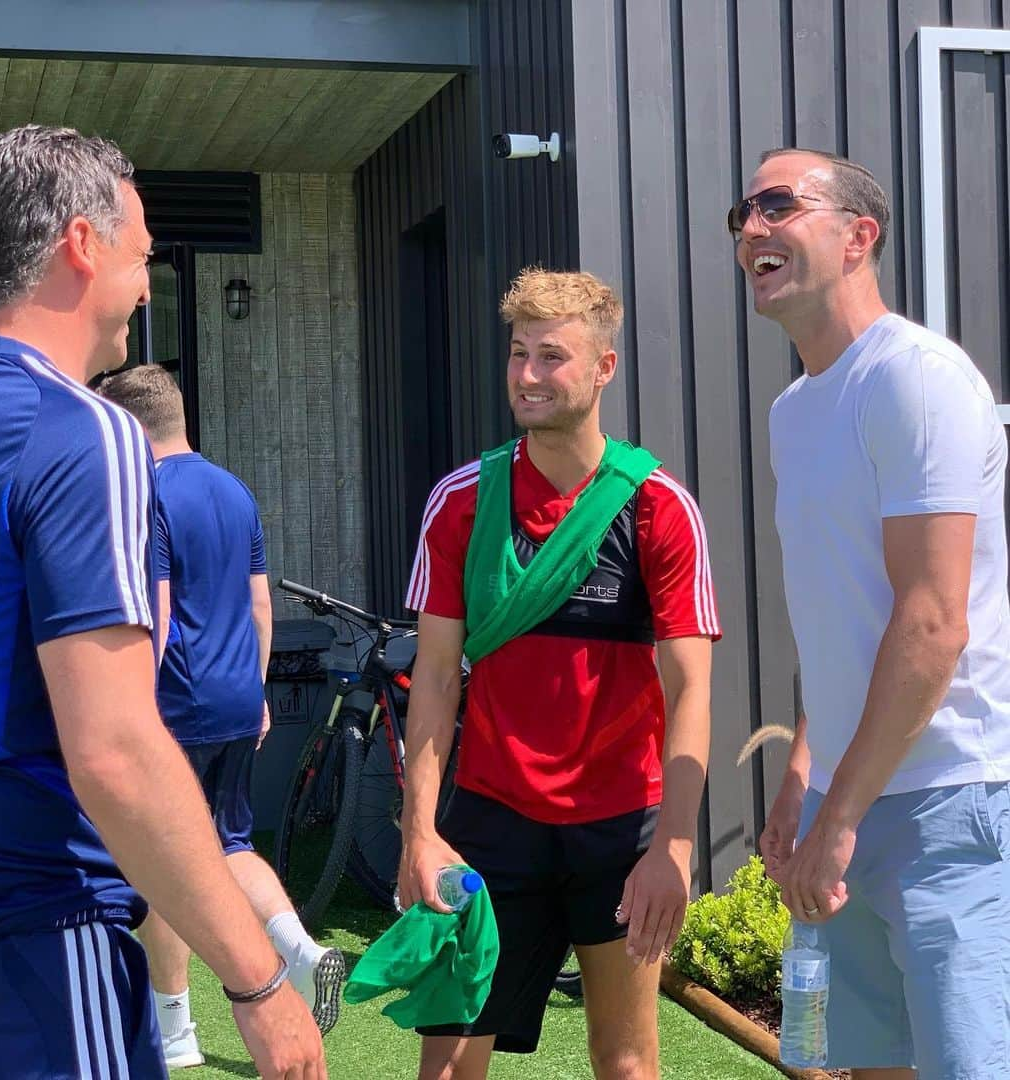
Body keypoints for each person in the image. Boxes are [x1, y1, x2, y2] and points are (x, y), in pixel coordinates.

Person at [0, 125, 326, 1080]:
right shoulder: (86, 430)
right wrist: (261, 984)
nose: (147, 286)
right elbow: (113, 748)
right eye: (143, 255)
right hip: (35, 931)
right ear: (82, 244)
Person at [397, 268, 720, 1080]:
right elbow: (435, 679)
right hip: (491, 821)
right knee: (447, 1066)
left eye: (552, 356)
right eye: (518, 354)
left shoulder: (657, 506)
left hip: (619, 826)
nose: (529, 375)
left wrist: (673, 849)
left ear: (604, 367)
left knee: (626, 1062)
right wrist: (419, 832)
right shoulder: (462, 501)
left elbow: (690, 689)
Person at [733, 148, 1010, 1077]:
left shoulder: (917, 378)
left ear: (860, 237)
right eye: (743, 212)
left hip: (951, 801)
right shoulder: (794, 411)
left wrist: (838, 816)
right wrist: (806, 774)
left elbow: (932, 623)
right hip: (848, 793)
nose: (752, 228)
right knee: (873, 1069)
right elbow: (853, 617)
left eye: (778, 205)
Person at [97, 364, 345, 1068]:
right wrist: (256, 690)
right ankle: (298, 949)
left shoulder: (144, 495)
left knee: (158, 856)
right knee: (229, 843)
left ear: (129, 426)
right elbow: (261, 604)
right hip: (238, 697)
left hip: (174, 701)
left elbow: (160, 610)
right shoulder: (235, 491)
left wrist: (130, 707)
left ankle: (176, 1028)